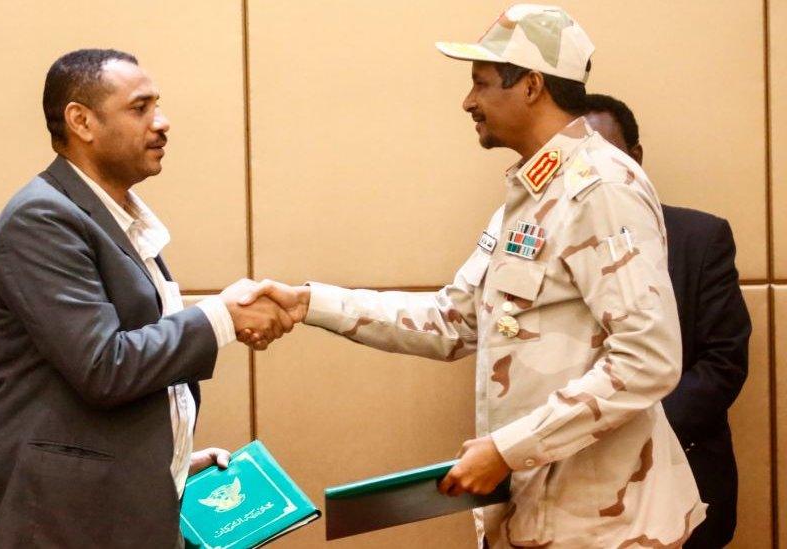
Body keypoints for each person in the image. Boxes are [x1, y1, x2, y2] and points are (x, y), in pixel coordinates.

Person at [240, 5, 705, 547]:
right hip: (540, 515)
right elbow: (453, 320)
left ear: (531, 85)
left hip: (605, 528)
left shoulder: (600, 186)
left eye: (480, 84)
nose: (468, 102)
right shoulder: (531, 194)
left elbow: (648, 358)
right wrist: (308, 303)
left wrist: (507, 449)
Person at [0, 49, 292, 548]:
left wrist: (166, 461)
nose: (163, 123)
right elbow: (105, 367)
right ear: (82, 122)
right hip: (54, 526)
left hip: (105, 509)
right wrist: (223, 317)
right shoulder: (43, 220)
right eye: (141, 108)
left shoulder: (108, 218)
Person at [585, 93, 751, 548]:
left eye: (605, 155)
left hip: (683, 477)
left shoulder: (700, 238)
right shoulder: (550, 243)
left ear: (636, 158)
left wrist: (627, 438)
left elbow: (723, 363)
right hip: (576, 493)